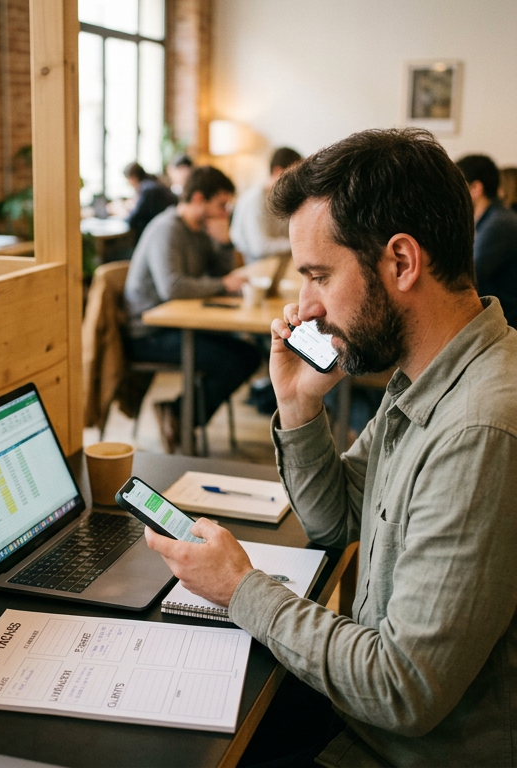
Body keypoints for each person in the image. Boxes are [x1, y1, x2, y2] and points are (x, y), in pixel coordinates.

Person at [143, 128, 517, 767]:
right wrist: (298, 404)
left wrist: (241, 589)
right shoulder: (426, 376)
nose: (305, 307)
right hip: (362, 717)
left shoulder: (479, 429)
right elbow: (338, 518)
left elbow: (403, 690)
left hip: (395, 748)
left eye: (319, 274)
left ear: (401, 262)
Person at [123, 165, 257, 452]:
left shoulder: (198, 231)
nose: (226, 212)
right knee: (230, 362)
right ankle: (178, 416)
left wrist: (224, 242)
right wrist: (222, 283)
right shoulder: (167, 229)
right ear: (198, 199)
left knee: (249, 354)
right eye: (221, 204)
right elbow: (172, 287)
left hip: (181, 325)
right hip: (149, 333)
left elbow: (222, 275)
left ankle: (178, 413)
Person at [456, 154, 517, 329]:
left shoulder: (498, 224)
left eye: (458, 187)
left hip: (506, 322)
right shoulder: (491, 218)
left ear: (476, 188)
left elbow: (467, 277)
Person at [230, 147, 301, 264]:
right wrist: (299, 244)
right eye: (293, 177)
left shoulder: (281, 198)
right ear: (277, 171)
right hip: (255, 269)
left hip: (275, 264)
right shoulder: (255, 199)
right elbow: (259, 247)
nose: (296, 184)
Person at [123, 161, 178, 246]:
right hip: (167, 233)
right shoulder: (153, 183)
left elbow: (132, 220)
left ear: (133, 177)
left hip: (160, 238)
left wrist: (122, 211)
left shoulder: (148, 189)